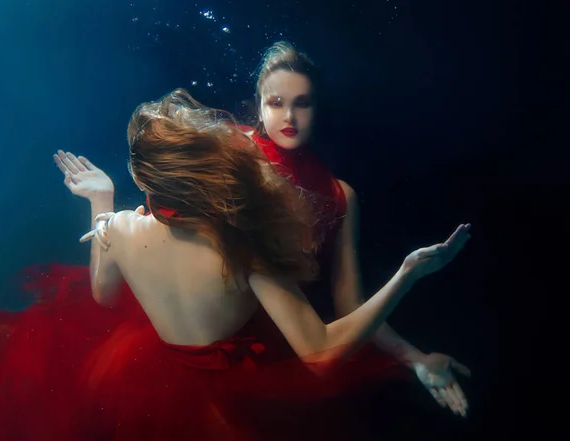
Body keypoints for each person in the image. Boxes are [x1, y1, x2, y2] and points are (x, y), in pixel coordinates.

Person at [0, 90, 471, 441]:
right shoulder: (241, 251)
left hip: (157, 382)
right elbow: (320, 354)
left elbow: (103, 297)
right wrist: (407, 274)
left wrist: (101, 203)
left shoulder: (117, 229)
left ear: (149, 181)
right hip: (248, 399)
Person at [81, 41, 472, 416]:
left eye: (302, 103)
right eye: (276, 102)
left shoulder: (338, 196)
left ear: (319, 107)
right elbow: (180, 198)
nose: (289, 117)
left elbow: (347, 304)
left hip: (274, 348)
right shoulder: (227, 155)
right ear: (259, 106)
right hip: (246, 348)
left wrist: (414, 357)